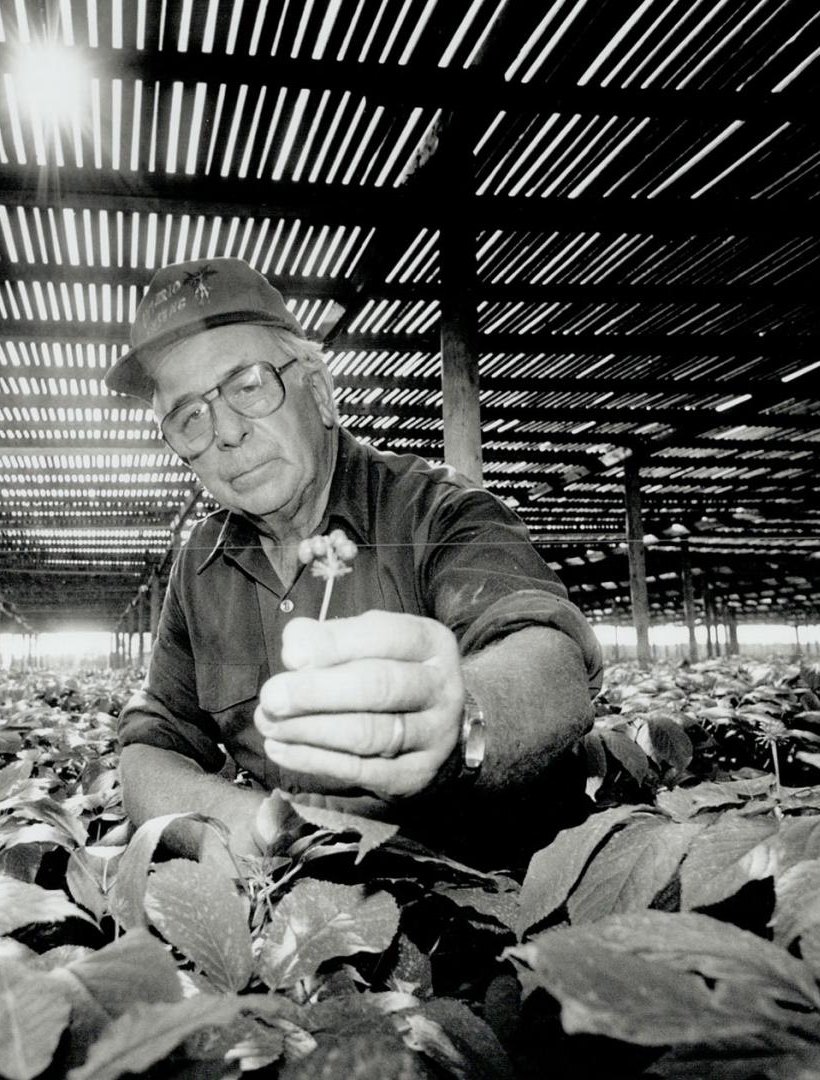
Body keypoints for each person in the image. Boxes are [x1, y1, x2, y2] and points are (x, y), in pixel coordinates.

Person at [108, 256, 604, 870]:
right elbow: (149, 748)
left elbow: (549, 659)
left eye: (248, 385)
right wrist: (233, 824)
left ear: (317, 388)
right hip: (311, 920)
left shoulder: (437, 510)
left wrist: (460, 723)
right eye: (189, 417)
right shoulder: (201, 568)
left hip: (488, 898)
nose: (227, 432)